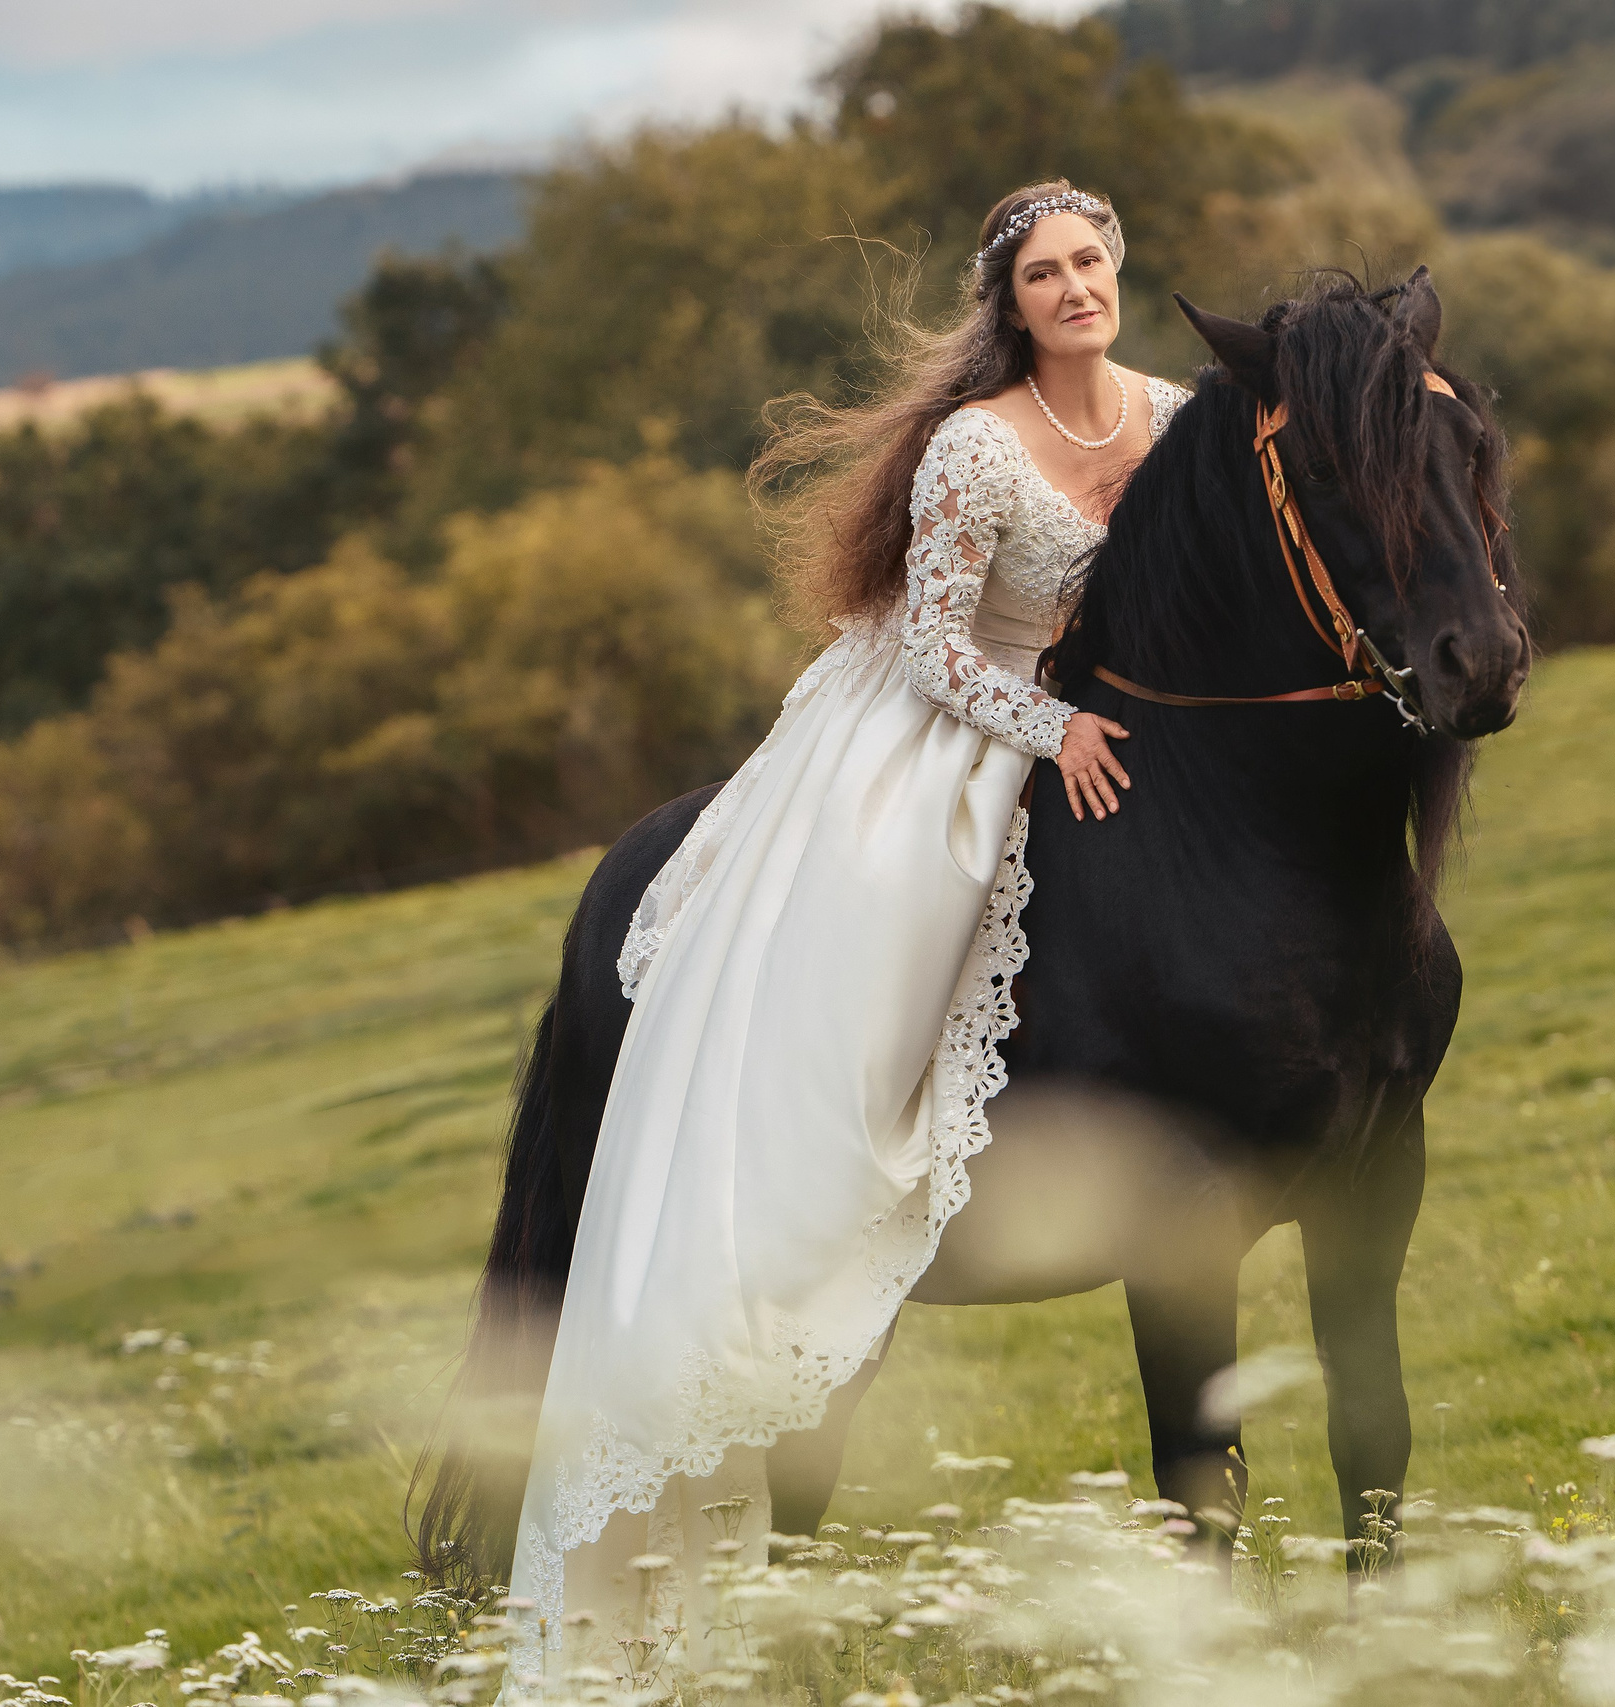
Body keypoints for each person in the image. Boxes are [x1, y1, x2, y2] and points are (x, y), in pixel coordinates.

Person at [501, 179, 1189, 1677]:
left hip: (1108, 712)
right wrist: (1052, 726)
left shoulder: (1174, 415)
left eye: (1091, 262)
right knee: (887, 904)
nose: (1075, 289)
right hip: (935, 726)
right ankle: (806, 1204)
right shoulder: (975, 446)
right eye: (1045, 274)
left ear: (1118, 270)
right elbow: (934, 645)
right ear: (1009, 304)